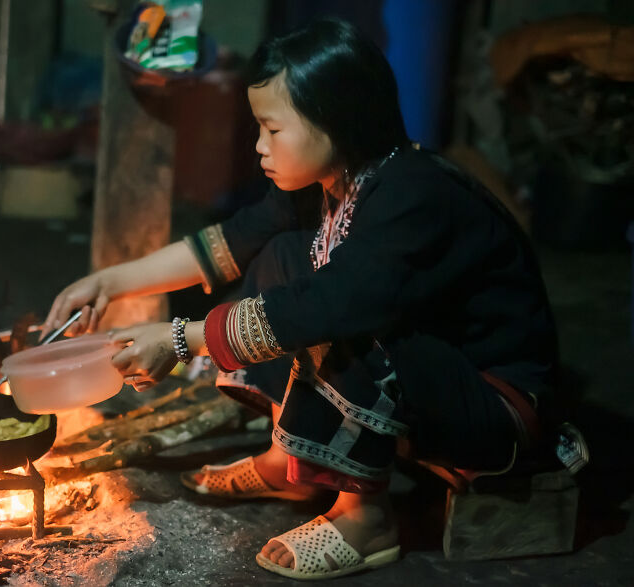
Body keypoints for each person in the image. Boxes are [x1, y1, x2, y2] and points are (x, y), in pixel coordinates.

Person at [43, 19, 559, 580]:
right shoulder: (336, 180)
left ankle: (364, 518)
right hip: (434, 376)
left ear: (335, 121)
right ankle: (287, 459)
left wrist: (179, 339)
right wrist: (110, 281)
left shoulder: (413, 196)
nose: (259, 147)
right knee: (283, 255)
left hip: (492, 409)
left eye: (272, 129)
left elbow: (335, 305)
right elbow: (230, 244)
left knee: (338, 312)